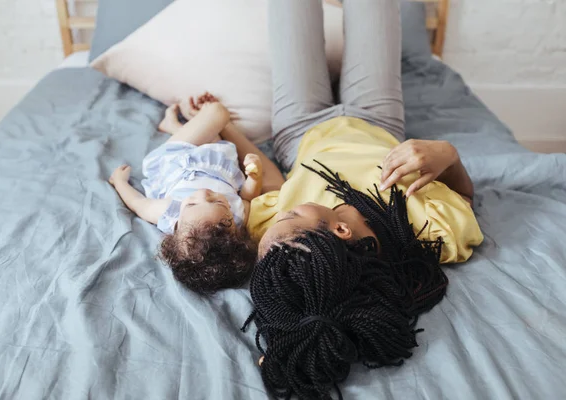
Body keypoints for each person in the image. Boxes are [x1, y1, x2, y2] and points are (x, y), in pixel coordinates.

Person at [242, 0, 484, 398]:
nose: (281, 212)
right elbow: (465, 199)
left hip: (299, 128)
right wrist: (447, 155)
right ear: (338, 229)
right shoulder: (421, 229)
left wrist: (225, 126)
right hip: (378, 118)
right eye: (292, 214)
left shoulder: (281, 241)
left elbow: (268, 187)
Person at [109, 93, 284, 295]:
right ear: (234, 230)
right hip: (218, 163)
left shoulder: (167, 211)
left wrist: (120, 183)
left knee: (217, 114)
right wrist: (255, 178)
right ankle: (173, 125)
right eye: (217, 202)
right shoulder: (237, 216)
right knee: (216, 137)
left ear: (177, 225)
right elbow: (247, 197)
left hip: (178, 160)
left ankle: (175, 126)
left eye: (191, 205)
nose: (203, 193)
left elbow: (137, 203)